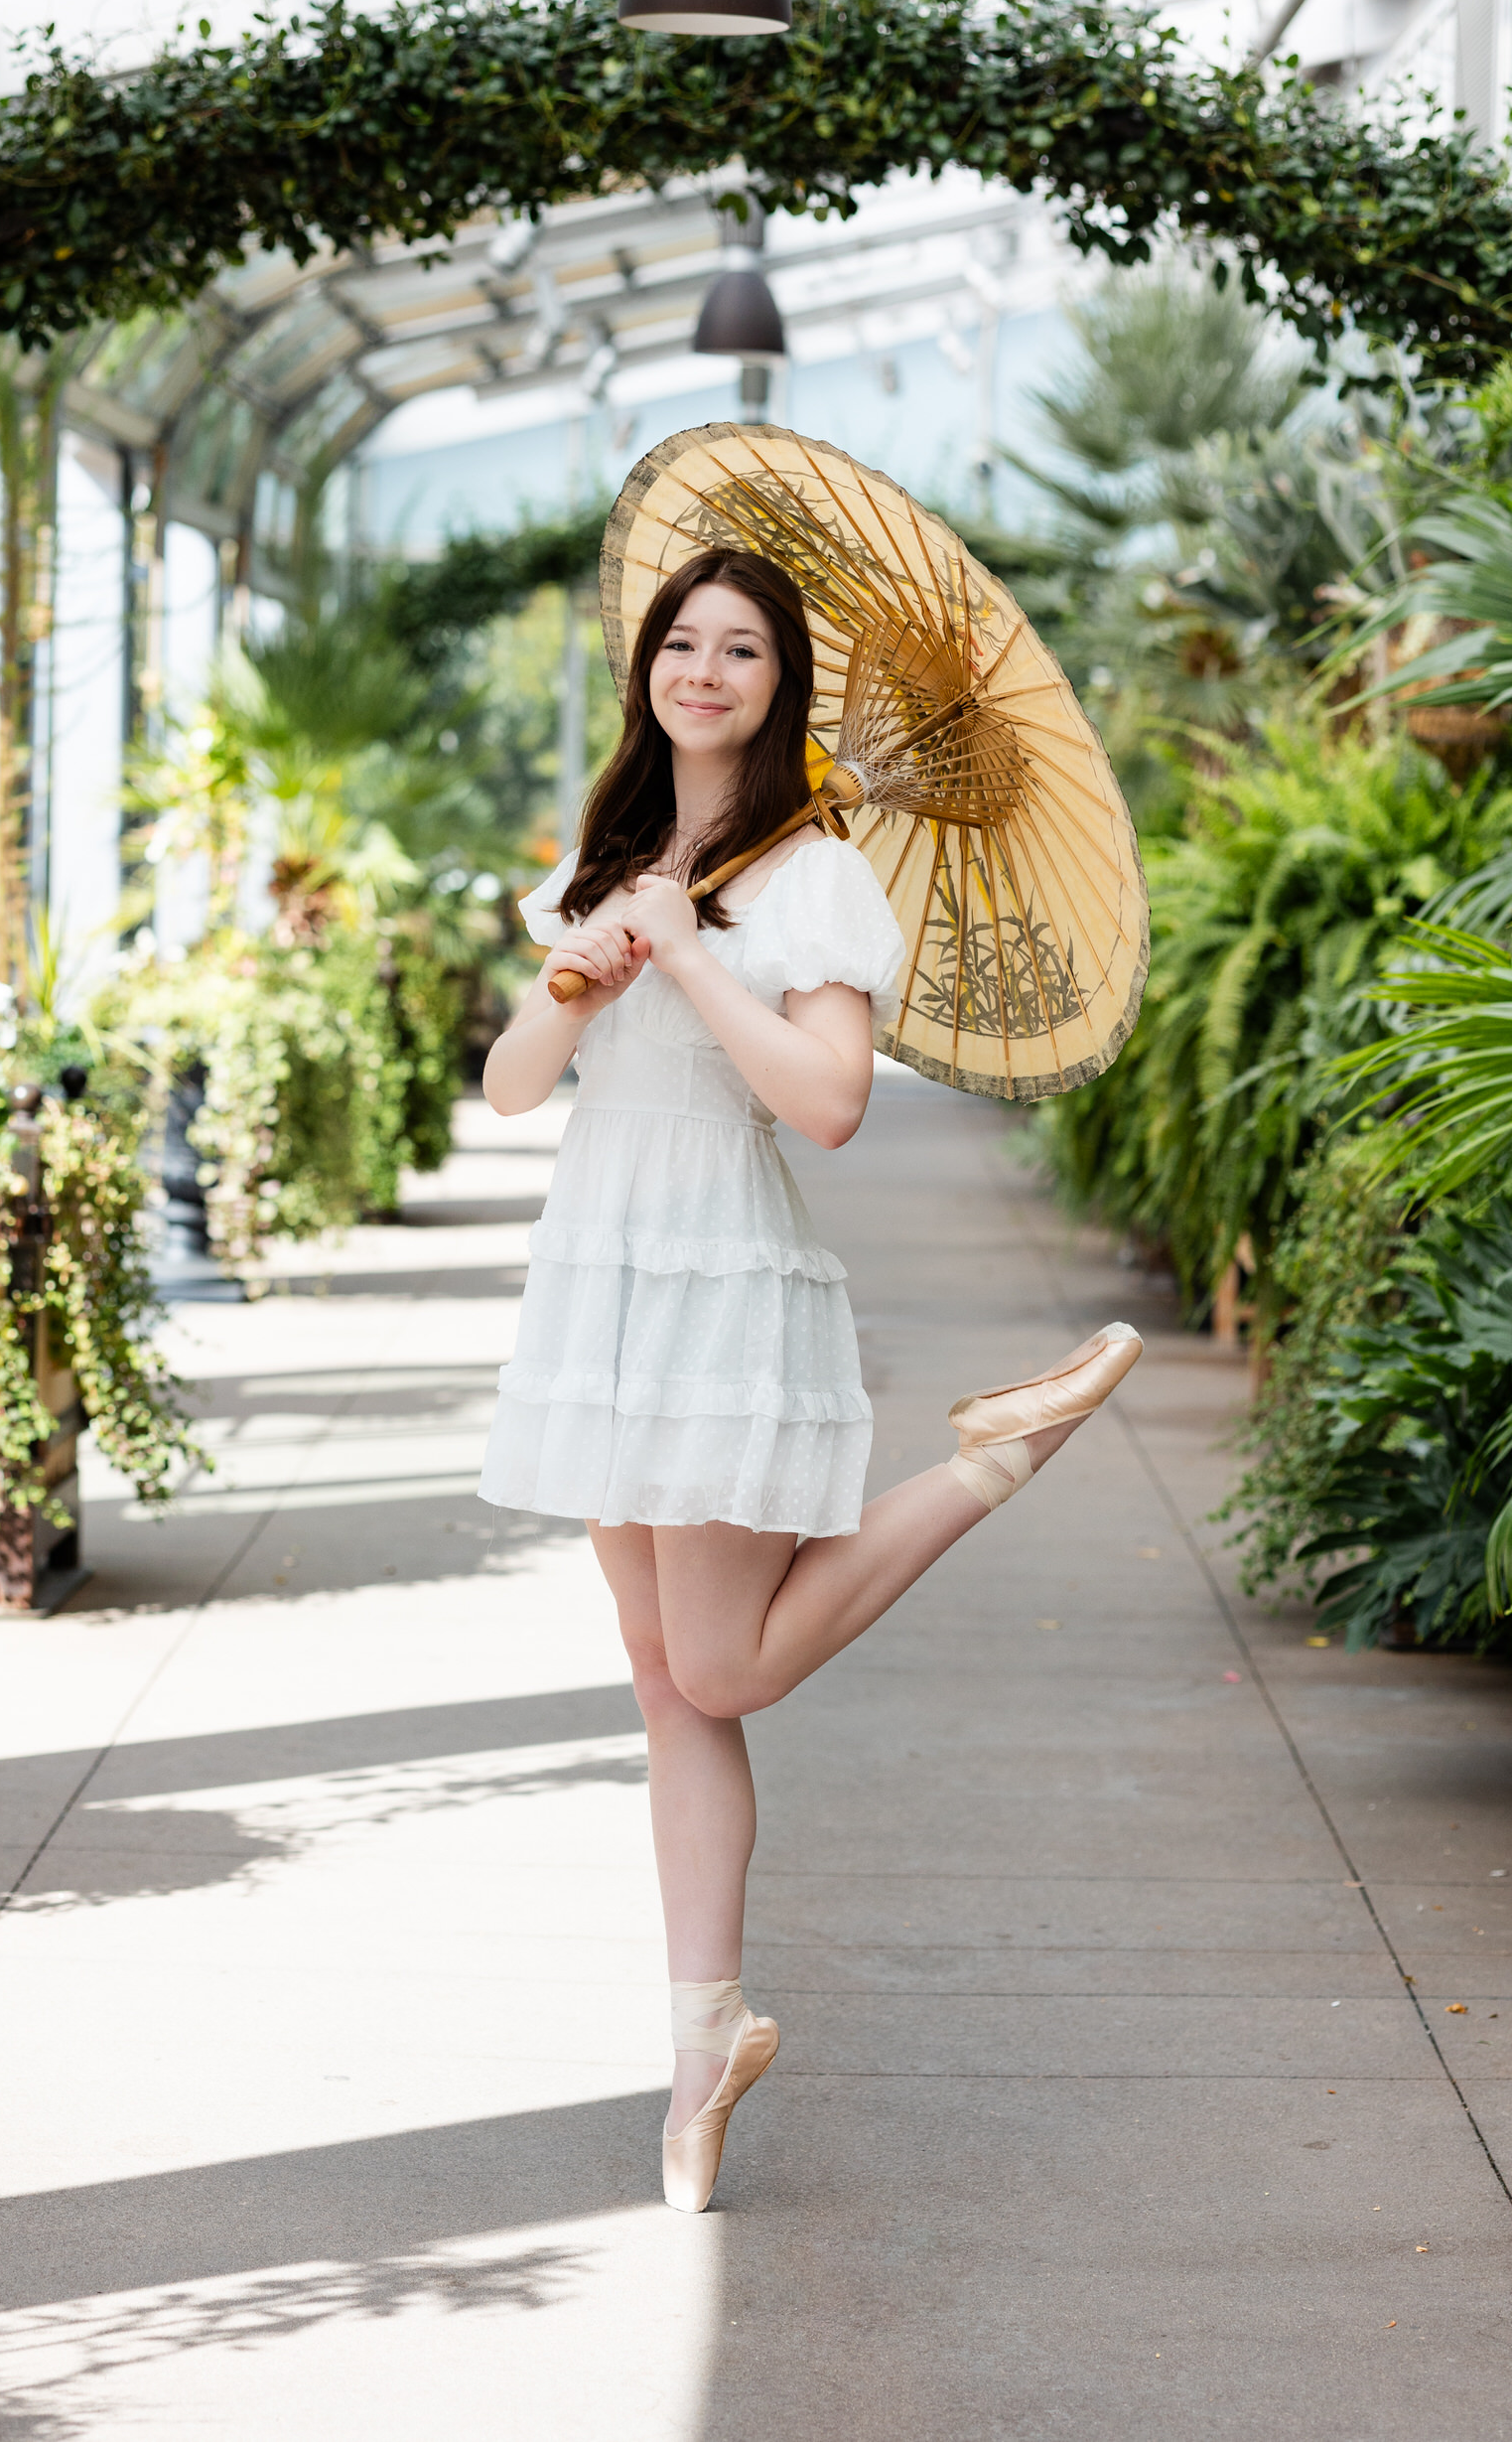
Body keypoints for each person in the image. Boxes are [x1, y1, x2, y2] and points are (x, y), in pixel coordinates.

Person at [480, 547, 1140, 2213]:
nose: (704, 670)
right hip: (600, 1278)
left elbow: (831, 1101)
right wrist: (595, 969)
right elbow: (507, 1087)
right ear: (649, 667)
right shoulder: (609, 847)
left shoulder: (820, 875)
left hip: (715, 1277)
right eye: (683, 643)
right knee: (664, 1690)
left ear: (784, 689)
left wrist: (699, 960)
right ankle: (702, 2052)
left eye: (744, 651)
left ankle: (990, 1459)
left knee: (726, 1671)